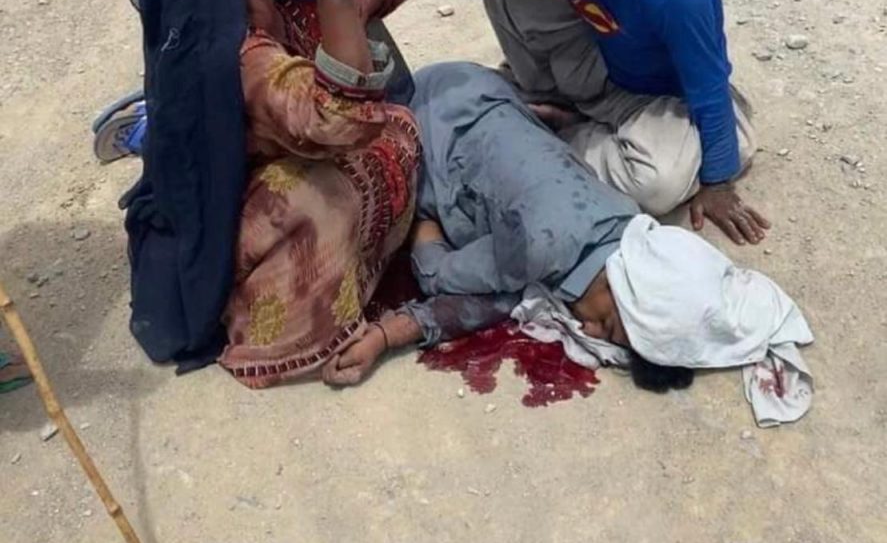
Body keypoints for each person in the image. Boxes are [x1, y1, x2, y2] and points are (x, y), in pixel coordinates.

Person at [122, 0, 458, 386]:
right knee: (321, 190)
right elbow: (339, 122)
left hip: (302, 158)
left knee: (390, 113)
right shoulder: (236, 60)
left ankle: (359, 269)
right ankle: (274, 329)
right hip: (246, 229)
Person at [324, 61, 812, 409]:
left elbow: (508, 290)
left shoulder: (622, 221)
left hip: (475, 86)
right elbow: (438, 273)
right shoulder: (544, 244)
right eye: (612, 327)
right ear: (630, 290)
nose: (591, 333)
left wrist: (386, 337)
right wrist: (424, 223)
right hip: (423, 113)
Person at [438, 0, 771, 247]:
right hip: (597, 64)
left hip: (657, 98)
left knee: (659, 186)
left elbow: (708, 83)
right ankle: (556, 105)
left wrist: (717, 183)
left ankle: (553, 134)